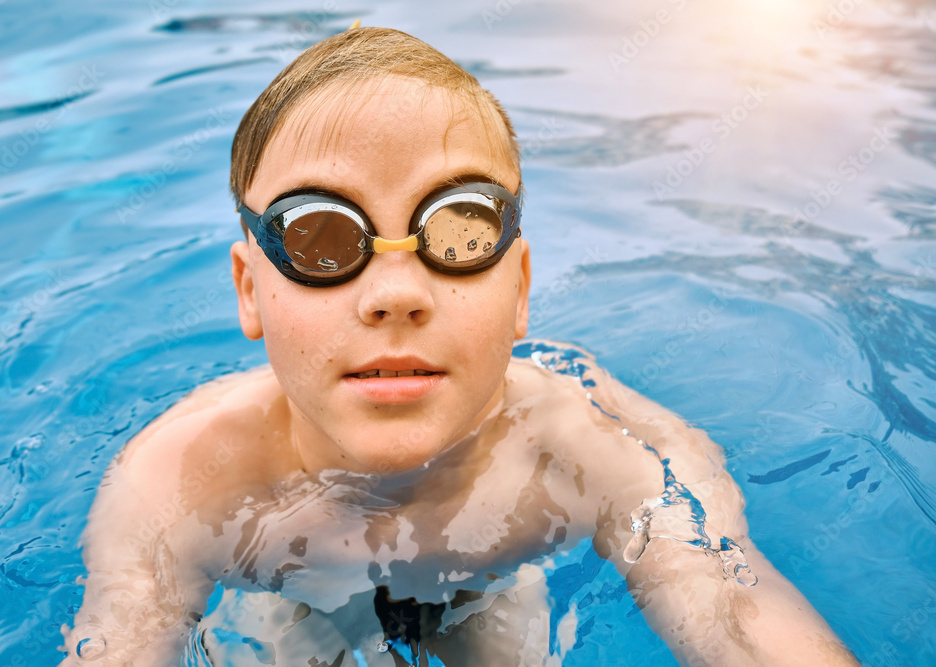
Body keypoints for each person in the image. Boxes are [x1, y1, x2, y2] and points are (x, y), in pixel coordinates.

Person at [61, 26, 858, 666]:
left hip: (490, 578)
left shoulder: (594, 446)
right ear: (249, 288)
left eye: (458, 228)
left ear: (519, 287)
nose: (396, 292)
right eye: (322, 237)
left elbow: (731, 609)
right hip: (291, 588)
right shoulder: (179, 486)